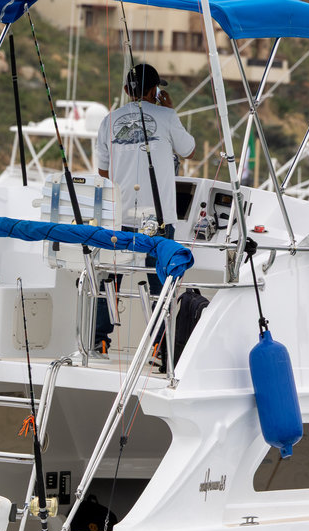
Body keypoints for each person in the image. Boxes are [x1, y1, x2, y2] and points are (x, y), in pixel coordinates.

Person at [94, 63, 196, 352]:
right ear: (155, 90)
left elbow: (103, 172)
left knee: (110, 277)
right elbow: (188, 150)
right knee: (158, 281)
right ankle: (157, 347)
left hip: (119, 214)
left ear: (127, 90)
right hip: (159, 214)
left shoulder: (109, 120)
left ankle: (100, 340)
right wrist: (170, 109)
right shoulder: (167, 115)